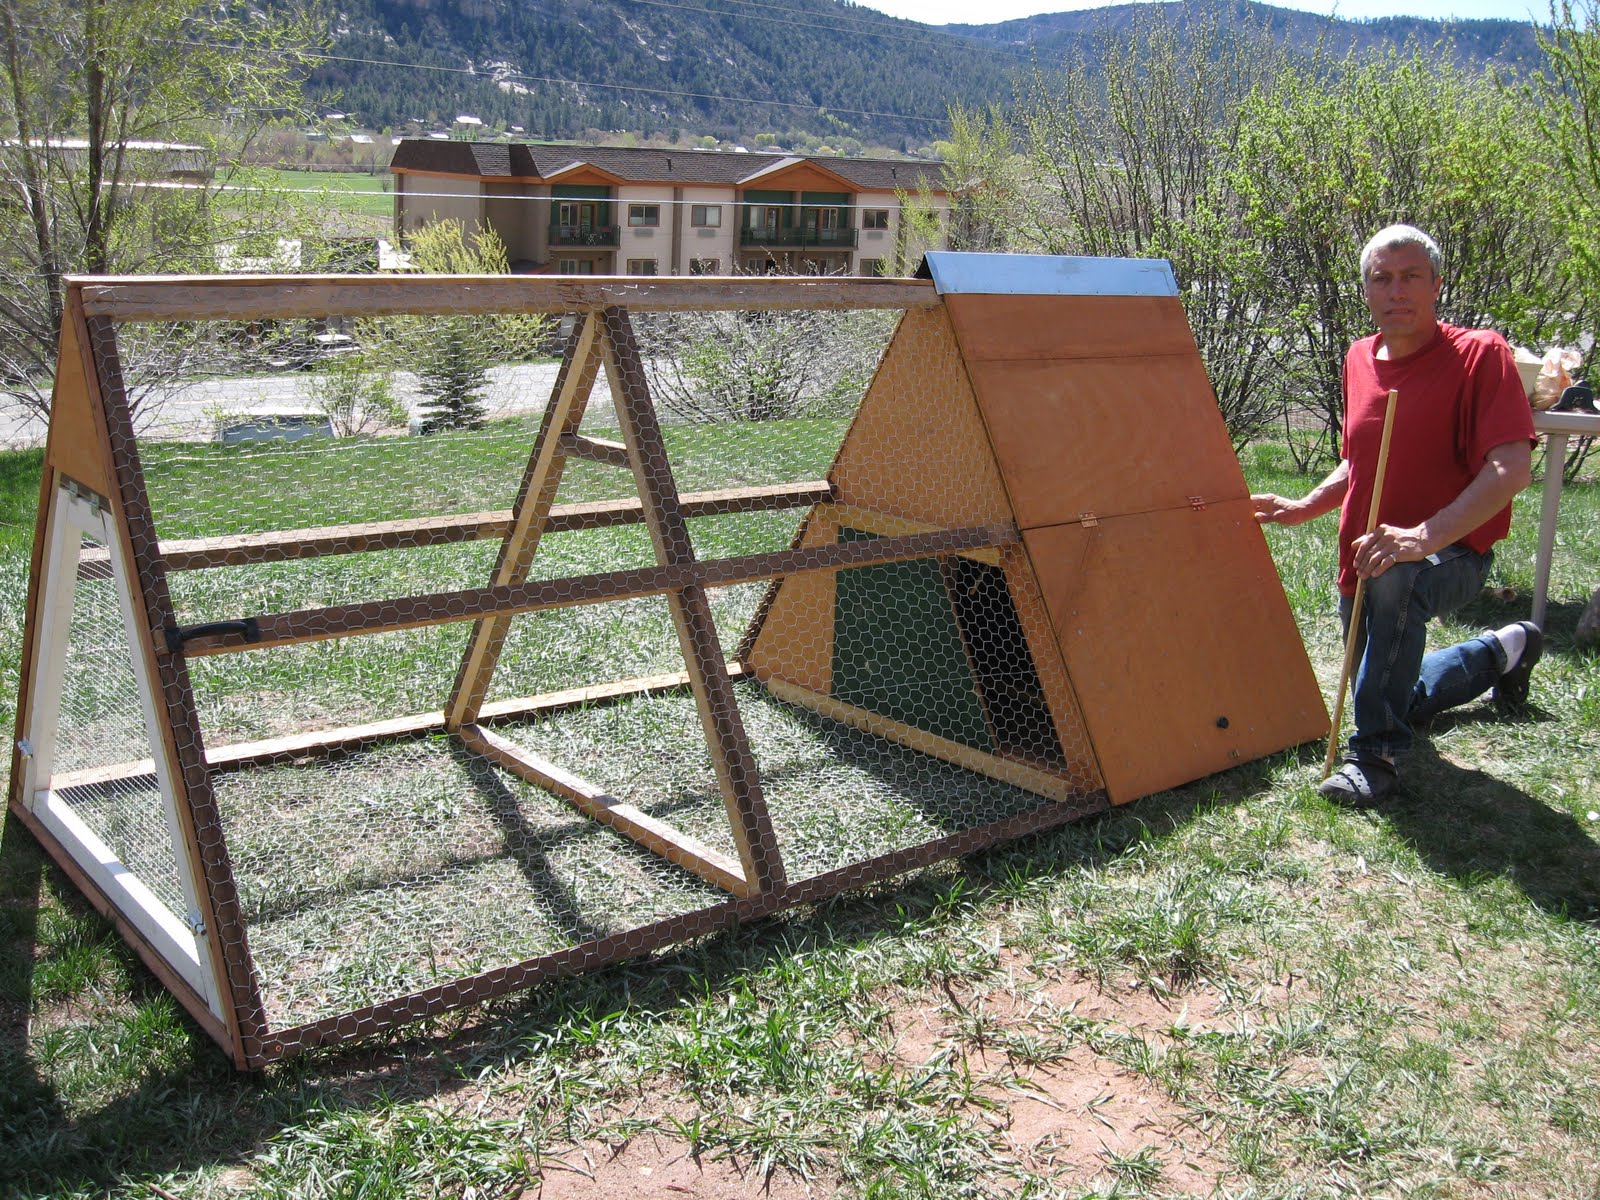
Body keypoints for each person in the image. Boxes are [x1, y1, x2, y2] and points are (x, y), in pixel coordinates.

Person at [1252, 224, 1541, 805]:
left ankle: (1376, 757)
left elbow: (1511, 468)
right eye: (1382, 278)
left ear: (1436, 284)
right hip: (1364, 556)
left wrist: (1421, 537)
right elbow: (1357, 460)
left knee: (1392, 600)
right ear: (1366, 292)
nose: (1397, 290)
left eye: (1411, 276)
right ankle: (1505, 649)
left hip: (1450, 553)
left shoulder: (1481, 354)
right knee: (1385, 690)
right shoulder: (1358, 357)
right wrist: (1306, 504)